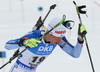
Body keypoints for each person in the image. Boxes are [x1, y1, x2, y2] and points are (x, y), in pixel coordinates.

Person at [5, 17, 87, 72]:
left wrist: (80, 39)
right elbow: (7, 45)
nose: (59, 40)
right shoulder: (35, 36)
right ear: (50, 33)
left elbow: (75, 54)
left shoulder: (58, 40)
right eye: (57, 37)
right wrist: (23, 42)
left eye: (61, 37)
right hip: (18, 69)